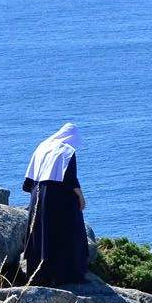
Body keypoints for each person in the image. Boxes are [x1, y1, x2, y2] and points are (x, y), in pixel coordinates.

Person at [20, 122, 89, 286]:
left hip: (37, 193)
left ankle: (38, 274)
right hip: (58, 196)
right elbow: (70, 179)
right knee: (68, 231)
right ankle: (67, 274)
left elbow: (28, 182)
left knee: (39, 232)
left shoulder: (42, 147)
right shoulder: (66, 150)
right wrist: (81, 198)